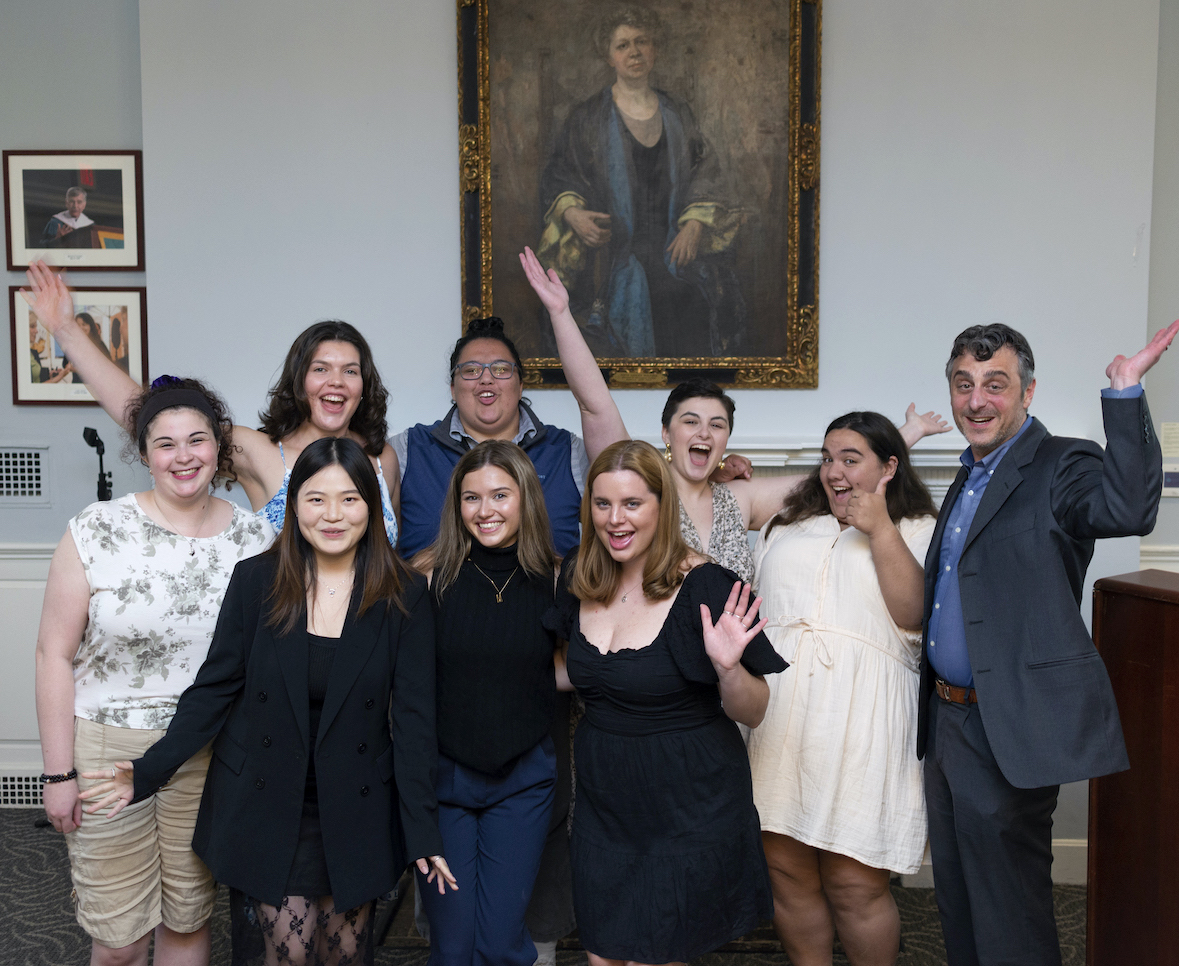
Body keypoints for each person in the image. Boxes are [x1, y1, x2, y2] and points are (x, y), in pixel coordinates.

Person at [79, 436, 455, 966]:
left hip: (356, 806)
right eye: (316, 499)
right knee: (289, 954)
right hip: (267, 801)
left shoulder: (403, 594)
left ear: (371, 507)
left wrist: (422, 832)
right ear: (294, 503)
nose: (332, 515)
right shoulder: (256, 580)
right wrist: (147, 770)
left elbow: (415, 724)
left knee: (343, 953)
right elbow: (214, 689)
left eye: (349, 499)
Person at [918, 321, 1177, 966]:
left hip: (1008, 727)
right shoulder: (967, 476)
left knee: (1010, 917)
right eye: (963, 384)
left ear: (1028, 393)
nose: (976, 400)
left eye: (995, 385)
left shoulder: (1062, 463)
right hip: (946, 722)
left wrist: (1123, 393)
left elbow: (1128, 509)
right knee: (958, 903)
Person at [521, 246, 949, 582]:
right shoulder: (641, 482)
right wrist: (560, 313)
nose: (704, 431)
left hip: (731, 680)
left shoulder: (739, 498)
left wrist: (905, 434)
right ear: (667, 434)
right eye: (690, 421)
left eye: (717, 424)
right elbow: (593, 401)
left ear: (726, 440)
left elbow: (837, 477)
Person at [34, 376, 274, 966]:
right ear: (143, 453)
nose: (183, 456)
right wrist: (58, 772)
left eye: (197, 440)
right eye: (165, 444)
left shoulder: (256, 538)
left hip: (208, 752)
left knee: (189, 922)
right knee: (119, 940)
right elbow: (53, 655)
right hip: (105, 752)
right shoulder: (96, 530)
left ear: (220, 448)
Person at [544, 439, 788, 963]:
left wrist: (726, 668)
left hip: (686, 802)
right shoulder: (580, 577)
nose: (615, 519)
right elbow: (589, 673)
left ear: (662, 505)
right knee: (602, 950)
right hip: (605, 802)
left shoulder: (705, 586)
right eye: (602, 504)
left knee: (659, 952)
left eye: (632, 503)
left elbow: (755, 709)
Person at [22, 260, 400, 544]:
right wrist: (66, 331)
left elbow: (391, 562)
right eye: (321, 369)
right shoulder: (260, 450)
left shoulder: (382, 459)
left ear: (364, 386)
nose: (336, 381)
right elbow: (151, 415)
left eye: (350, 371)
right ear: (300, 381)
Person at [747, 412, 938, 966]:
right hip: (781, 720)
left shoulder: (919, 526)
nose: (834, 470)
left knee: (856, 883)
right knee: (788, 873)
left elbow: (913, 614)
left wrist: (879, 527)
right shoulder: (786, 523)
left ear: (889, 467)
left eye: (851, 459)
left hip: (864, 721)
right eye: (828, 458)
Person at [412, 440, 562, 966]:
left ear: (526, 498)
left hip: (522, 781)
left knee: (499, 943)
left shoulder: (558, 579)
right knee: (452, 948)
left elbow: (571, 668)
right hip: (443, 782)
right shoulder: (429, 577)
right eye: (471, 498)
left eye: (500, 494)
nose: (486, 510)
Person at [537, 5, 747, 358]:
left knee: (698, 302)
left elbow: (706, 171)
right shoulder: (588, 117)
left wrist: (695, 223)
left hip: (675, 250)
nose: (633, 52)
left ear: (655, 49)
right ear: (609, 56)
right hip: (609, 254)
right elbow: (558, 176)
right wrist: (574, 216)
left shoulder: (677, 112)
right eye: (622, 45)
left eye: (641, 42)